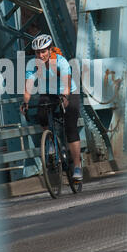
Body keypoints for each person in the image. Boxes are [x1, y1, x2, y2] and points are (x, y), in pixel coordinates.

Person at [20, 34, 82, 181]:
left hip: (68, 93)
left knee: (70, 129)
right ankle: (50, 141)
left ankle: (78, 166)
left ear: (50, 50)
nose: (40, 55)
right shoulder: (33, 65)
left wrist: (65, 98)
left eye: (43, 51)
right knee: (41, 115)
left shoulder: (61, 62)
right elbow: (28, 87)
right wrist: (25, 103)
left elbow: (67, 85)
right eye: (37, 52)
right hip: (48, 93)